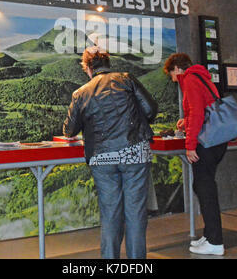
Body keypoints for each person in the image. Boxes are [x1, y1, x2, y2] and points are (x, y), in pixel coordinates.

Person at [63, 46, 158, 259]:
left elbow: (69, 130)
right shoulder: (127, 79)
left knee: (110, 214)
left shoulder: (81, 93)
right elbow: (151, 109)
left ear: (88, 68)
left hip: (102, 157)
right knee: (135, 214)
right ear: (107, 63)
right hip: (135, 152)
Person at [163, 53, 227, 256]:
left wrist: (190, 145)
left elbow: (198, 113)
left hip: (206, 143)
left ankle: (215, 242)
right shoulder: (202, 77)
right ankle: (209, 235)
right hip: (217, 140)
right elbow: (200, 111)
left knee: (205, 188)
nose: (173, 78)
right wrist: (186, 122)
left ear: (177, 69)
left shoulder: (189, 79)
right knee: (202, 185)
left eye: (171, 73)